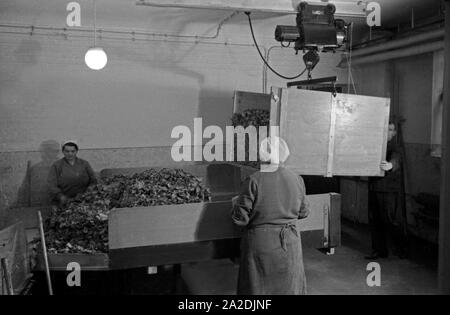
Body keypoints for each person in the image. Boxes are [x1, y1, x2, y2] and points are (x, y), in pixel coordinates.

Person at [231, 136, 310, 295]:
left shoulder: (254, 180)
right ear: (283, 154)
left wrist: (235, 204)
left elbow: (240, 219)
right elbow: (304, 212)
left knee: (259, 289)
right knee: (289, 287)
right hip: (290, 243)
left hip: (261, 244)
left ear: (262, 155)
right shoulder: (297, 179)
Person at [366, 122, 408, 260]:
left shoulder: (396, 147)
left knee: (392, 221)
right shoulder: (376, 145)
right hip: (374, 188)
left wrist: (390, 165)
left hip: (388, 191)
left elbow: (396, 160)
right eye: (386, 129)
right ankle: (379, 251)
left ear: (395, 133)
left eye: (390, 130)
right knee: (374, 220)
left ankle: (401, 249)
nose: (388, 132)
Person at [47, 141, 97, 206]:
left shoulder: (84, 164)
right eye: (67, 151)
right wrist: (60, 196)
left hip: (84, 200)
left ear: (76, 151)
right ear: (63, 152)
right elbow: (51, 184)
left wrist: (88, 193)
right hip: (64, 201)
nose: (70, 154)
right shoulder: (57, 165)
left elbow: (93, 180)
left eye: (73, 151)